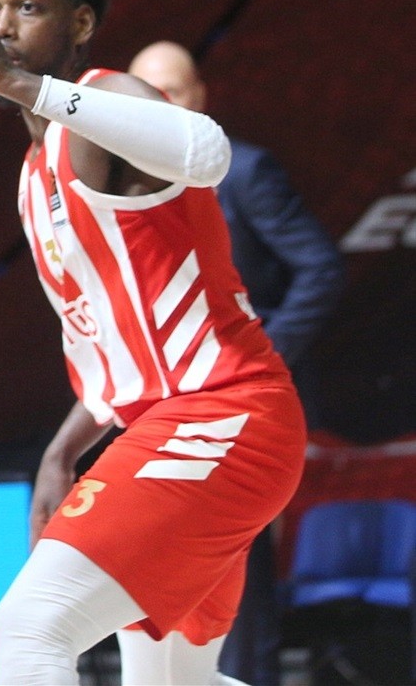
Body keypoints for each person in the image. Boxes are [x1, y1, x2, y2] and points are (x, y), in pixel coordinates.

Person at [0, 0, 307, 685]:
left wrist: (21, 84)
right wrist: (61, 452)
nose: (2, 24)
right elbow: (107, 352)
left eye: (28, 6)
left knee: (26, 631)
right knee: (171, 683)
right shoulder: (35, 170)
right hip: (173, 427)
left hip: (221, 415)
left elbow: (209, 152)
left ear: (81, 22)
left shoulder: (107, 98)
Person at [129, 40, 344, 686]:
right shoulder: (118, 184)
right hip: (160, 404)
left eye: (173, 91)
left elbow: (320, 266)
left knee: (236, 571)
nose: (160, 105)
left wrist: (262, 354)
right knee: (164, 572)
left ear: (200, 97)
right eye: (145, 95)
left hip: (242, 404)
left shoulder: (244, 172)